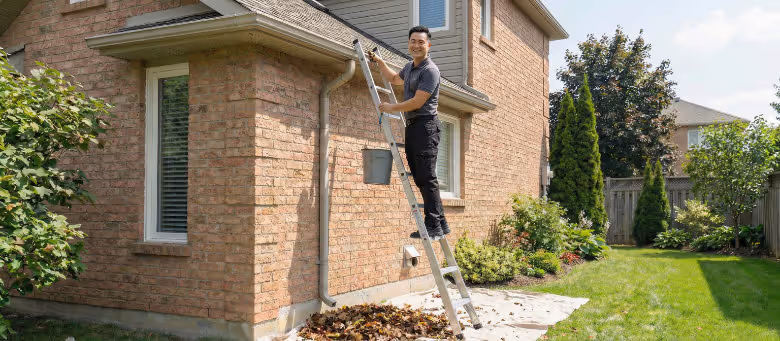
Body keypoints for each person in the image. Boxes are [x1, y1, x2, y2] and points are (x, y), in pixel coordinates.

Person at [370, 26, 450, 239]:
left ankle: (433, 225)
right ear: (409, 43)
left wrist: (390, 108)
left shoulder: (430, 71)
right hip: (413, 126)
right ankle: (441, 223)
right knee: (419, 175)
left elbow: (417, 102)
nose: (416, 45)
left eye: (420, 42)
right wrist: (380, 62)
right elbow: (395, 78)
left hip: (426, 126)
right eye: (413, 41)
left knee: (426, 176)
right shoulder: (410, 67)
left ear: (428, 45)